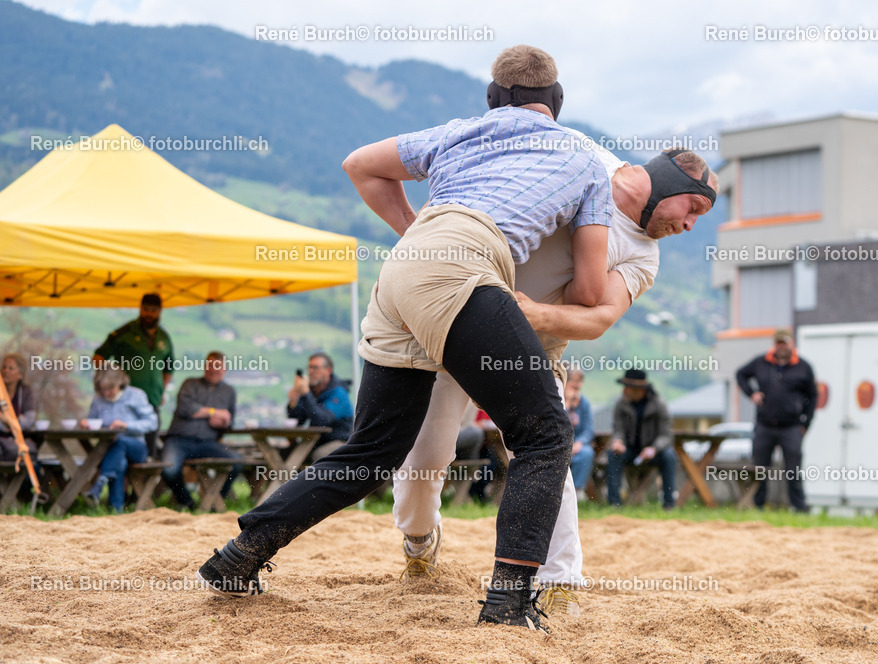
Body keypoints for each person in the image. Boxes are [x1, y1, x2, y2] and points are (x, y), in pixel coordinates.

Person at [196, 45, 612, 632]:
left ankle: (239, 555)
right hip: (465, 268)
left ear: (493, 99)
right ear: (557, 102)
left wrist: (415, 230)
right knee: (544, 436)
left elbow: (359, 164)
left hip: (401, 270)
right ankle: (508, 605)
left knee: (372, 450)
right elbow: (590, 291)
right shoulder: (583, 155)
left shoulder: (460, 132)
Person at [392, 143, 717, 615]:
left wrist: (528, 315)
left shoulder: (644, 256)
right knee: (425, 458)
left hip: (536, 346)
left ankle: (560, 581)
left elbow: (598, 318)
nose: (689, 226)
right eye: (693, 208)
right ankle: (419, 542)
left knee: (548, 452)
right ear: (671, 183)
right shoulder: (587, 157)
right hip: (458, 319)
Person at [735, 328, 818, 512]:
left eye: (784, 343)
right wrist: (751, 393)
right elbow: (740, 374)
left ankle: (799, 508)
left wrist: (805, 424)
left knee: (793, 470)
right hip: (764, 425)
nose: (781, 347)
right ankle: (758, 506)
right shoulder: (761, 362)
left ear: (792, 344)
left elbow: (813, 397)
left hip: (791, 427)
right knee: (759, 470)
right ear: (774, 345)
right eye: (778, 343)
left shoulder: (803, 367)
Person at [161, 352, 243, 511]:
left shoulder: (229, 391)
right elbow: (185, 409)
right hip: (179, 440)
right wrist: (214, 412)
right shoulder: (190, 383)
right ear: (205, 366)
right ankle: (186, 501)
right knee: (169, 470)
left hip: (208, 443)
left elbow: (230, 419)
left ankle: (215, 500)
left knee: (237, 461)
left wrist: (224, 422)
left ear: (225, 369)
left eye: (218, 366)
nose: (213, 369)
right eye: (210, 365)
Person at [93, 292, 173, 456]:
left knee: (149, 452)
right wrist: (111, 378)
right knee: (122, 446)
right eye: (146, 309)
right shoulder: (125, 333)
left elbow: (169, 368)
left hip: (152, 400)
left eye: (153, 310)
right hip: (127, 401)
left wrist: (162, 391)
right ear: (140, 308)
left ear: (159, 312)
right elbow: (98, 357)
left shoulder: (164, 337)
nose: (149, 314)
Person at [83, 368, 158, 512]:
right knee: (120, 462)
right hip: (110, 449)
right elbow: (93, 421)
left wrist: (126, 425)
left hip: (136, 447)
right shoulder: (98, 399)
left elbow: (152, 423)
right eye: (103, 389)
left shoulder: (136, 395)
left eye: (110, 388)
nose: (106, 393)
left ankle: (100, 483)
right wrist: (87, 424)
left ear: (120, 383)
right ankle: (116, 509)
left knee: (120, 442)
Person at [606, 369, 678, 510]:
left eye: (627, 387)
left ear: (640, 390)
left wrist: (654, 448)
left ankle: (669, 504)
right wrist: (618, 441)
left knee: (669, 456)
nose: (624, 390)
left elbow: (666, 435)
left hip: (654, 451)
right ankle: (614, 504)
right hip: (629, 450)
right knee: (613, 454)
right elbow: (618, 429)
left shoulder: (659, 404)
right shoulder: (621, 404)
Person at [287, 352, 352, 460]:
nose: (310, 371)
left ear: (328, 370)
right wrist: (293, 403)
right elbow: (298, 420)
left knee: (319, 455)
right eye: (309, 367)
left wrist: (306, 395)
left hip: (339, 442)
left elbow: (321, 420)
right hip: (314, 442)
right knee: (287, 454)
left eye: (315, 368)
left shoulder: (339, 394)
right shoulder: (311, 392)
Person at [0, 353, 37, 461]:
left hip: (17, 443)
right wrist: (15, 422)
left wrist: (5, 420)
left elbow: (29, 420)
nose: (6, 371)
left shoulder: (25, 392)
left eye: (11, 368)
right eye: (4, 367)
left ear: (20, 374)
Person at [565, 369, 595, 501]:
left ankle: (578, 490)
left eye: (580, 382)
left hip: (578, 445)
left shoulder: (584, 403)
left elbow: (589, 429)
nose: (577, 386)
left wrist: (580, 442)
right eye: (574, 382)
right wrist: (567, 405)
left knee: (587, 453)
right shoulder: (558, 401)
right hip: (560, 444)